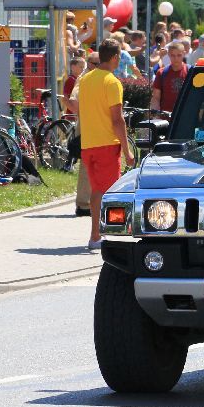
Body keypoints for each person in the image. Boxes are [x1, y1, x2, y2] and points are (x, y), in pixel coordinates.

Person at [75, 39, 135, 250]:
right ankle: (98, 236)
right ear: (116, 57)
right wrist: (127, 150)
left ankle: (98, 234)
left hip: (88, 143)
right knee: (107, 192)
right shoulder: (112, 82)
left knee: (96, 191)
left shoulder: (86, 79)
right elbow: (117, 120)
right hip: (106, 144)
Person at [70, 53, 99, 216]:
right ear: (91, 64)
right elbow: (73, 101)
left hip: (92, 125)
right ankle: (83, 204)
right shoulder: (85, 78)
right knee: (88, 163)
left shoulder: (90, 77)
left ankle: (88, 202)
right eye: (97, 63)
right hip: (89, 126)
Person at [150, 42, 189, 113]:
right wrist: (155, 113)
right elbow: (156, 97)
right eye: (172, 55)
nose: (176, 58)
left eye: (179, 55)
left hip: (185, 116)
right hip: (165, 117)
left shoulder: (190, 71)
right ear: (168, 55)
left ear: (184, 53)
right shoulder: (161, 73)